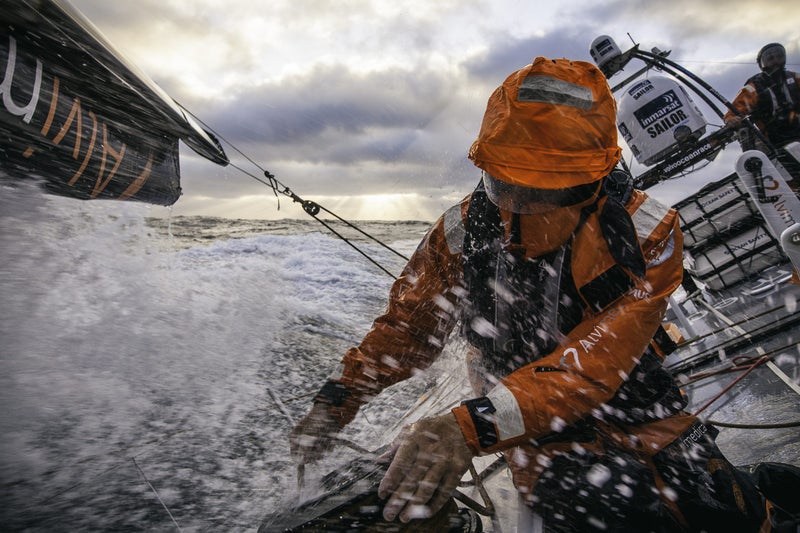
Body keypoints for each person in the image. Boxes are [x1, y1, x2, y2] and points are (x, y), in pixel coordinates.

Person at [290, 57, 767, 531]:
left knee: (729, 514)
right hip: (532, 434)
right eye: (503, 183)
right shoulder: (458, 235)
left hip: (636, 407)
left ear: (592, 183)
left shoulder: (648, 235)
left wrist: (467, 426)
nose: (516, 203)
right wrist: (337, 398)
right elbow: (408, 328)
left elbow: (594, 365)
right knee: (607, 511)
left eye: (541, 189)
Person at [724, 43, 800, 185]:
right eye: (770, 57)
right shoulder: (754, 87)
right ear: (762, 63)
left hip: (797, 134)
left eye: (778, 55)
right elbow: (734, 111)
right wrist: (732, 120)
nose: (775, 59)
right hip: (775, 142)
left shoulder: (795, 78)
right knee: (789, 176)